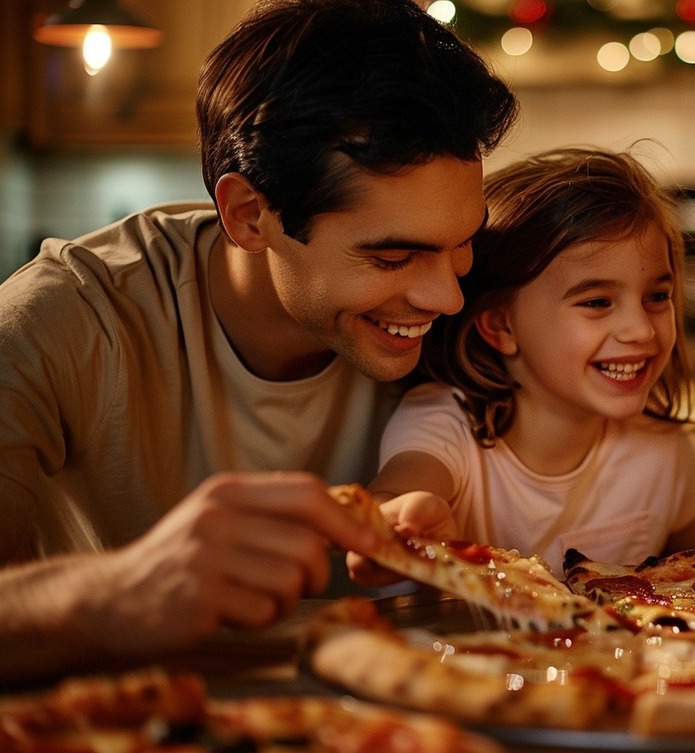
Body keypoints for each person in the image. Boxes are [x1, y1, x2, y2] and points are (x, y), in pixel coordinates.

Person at [0, 0, 517, 683]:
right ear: (249, 216)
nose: (446, 298)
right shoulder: (64, 318)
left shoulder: (478, 314)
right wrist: (118, 590)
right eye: (393, 258)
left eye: (462, 246)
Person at [348, 147, 695, 583]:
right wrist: (398, 520)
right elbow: (400, 493)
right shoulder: (444, 424)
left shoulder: (666, 451)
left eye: (656, 297)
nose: (642, 330)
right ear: (501, 326)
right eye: (597, 302)